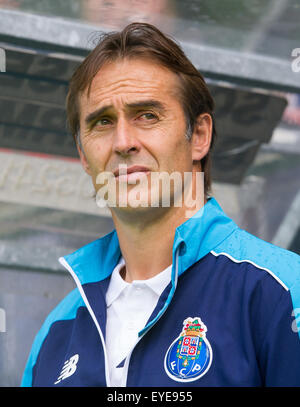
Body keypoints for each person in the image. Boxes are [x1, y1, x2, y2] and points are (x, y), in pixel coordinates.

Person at [21, 22, 300, 387]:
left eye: (147, 115)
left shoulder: (283, 290)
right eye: (102, 122)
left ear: (199, 136)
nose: (123, 142)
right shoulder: (56, 332)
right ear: (84, 156)